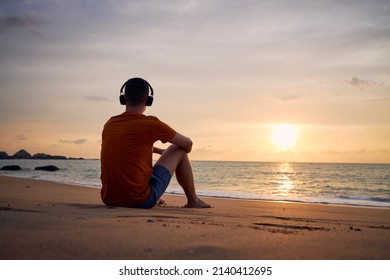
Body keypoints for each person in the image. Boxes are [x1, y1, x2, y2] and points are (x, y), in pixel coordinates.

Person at [100, 77, 210, 209]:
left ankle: (146, 192)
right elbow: (187, 144)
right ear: (148, 100)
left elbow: (128, 149)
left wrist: (160, 151)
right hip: (139, 200)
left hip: (109, 199)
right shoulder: (151, 124)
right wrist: (173, 155)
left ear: (123, 99)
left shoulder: (110, 124)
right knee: (178, 149)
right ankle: (193, 200)